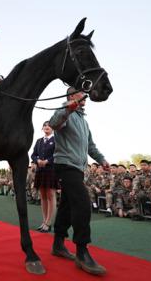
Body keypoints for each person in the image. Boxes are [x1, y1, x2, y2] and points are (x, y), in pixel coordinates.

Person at [48, 86, 108, 275]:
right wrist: (68, 109)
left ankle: (58, 244)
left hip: (78, 168)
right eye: (83, 93)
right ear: (72, 95)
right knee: (82, 203)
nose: (86, 96)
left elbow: (90, 145)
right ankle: (82, 252)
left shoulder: (83, 121)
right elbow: (54, 123)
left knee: (66, 205)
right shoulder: (64, 111)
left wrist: (102, 159)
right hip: (65, 166)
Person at [32, 121, 58, 233]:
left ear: (53, 128)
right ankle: (44, 221)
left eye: (49, 126)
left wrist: (48, 161)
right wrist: (37, 160)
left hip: (51, 170)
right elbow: (33, 154)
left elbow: (58, 154)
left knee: (51, 195)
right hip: (40, 170)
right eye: (45, 125)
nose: (46, 127)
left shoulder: (56, 140)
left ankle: (49, 222)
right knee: (42, 196)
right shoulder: (39, 141)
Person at [130, 160, 151, 224]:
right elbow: (136, 183)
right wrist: (134, 190)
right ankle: (138, 215)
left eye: (145, 165)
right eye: (142, 165)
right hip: (144, 192)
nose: (143, 167)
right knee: (134, 196)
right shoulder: (139, 174)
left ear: (149, 166)